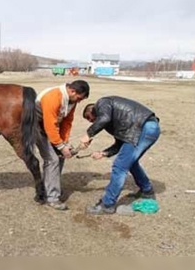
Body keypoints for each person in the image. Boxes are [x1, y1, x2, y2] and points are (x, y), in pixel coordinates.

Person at [79, 96, 160, 215]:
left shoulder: (102, 103)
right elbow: (120, 143)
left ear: (93, 110)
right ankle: (146, 191)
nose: (90, 121)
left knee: (119, 167)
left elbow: (104, 118)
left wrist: (89, 134)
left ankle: (107, 204)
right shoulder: (116, 121)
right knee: (130, 162)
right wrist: (104, 153)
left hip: (144, 127)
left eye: (88, 118)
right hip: (148, 128)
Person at [35, 80, 90, 210]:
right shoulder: (52, 97)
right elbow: (49, 125)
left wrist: (64, 143)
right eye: (79, 98)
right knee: (52, 159)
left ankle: (49, 187)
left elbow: (67, 122)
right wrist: (60, 146)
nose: (79, 101)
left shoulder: (72, 100)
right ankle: (52, 198)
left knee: (60, 156)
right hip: (36, 127)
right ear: (72, 91)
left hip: (52, 128)